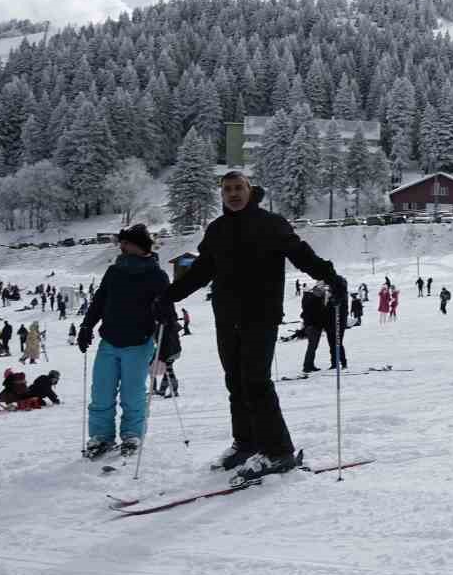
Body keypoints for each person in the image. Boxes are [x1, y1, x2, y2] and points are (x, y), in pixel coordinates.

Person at [162, 171, 343, 477]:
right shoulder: (217, 230)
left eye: (238, 188)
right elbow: (200, 272)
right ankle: (245, 443)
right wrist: (168, 296)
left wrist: (329, 276)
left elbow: (300, 254)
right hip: (226, 316)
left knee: (256, 382)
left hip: (260, 314)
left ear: (249, 190)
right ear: (221, 194)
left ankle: (278, 451)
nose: (233, 194)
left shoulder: (271, 223)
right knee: (235, 382)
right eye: (227, 189)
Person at [79, 223, 179, 459]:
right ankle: (101, 436)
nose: (121, 247)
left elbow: (168, 315)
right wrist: (86, 326)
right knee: (101, 392)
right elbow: (100, 300)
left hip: (138, 343)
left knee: (132, 394)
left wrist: (166, 350)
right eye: (121, 243)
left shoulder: (156, 275)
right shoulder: (114, 271)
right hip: (109, 342)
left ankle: (132, 435)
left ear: (140, 246)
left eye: (127, 243)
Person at [300, 282, 329, 373]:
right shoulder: (313, 300)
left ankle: (310, 365)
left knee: (313, 347)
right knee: (312, 347)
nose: (322, 293)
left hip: (315, 326)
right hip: (313, 326)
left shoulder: (315, 299)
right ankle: (307, 366)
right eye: (321, 291)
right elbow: (315, 314)